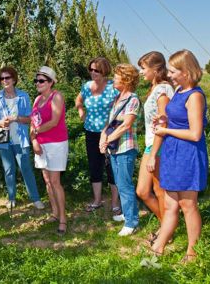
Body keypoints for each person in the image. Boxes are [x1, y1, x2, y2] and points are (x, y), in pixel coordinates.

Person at [151, 50, 208, 262]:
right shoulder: (179, 90)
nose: (170, 74)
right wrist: (163, 117)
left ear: (186, 72)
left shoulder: (194, 96)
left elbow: (194, 133)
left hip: (187, 154)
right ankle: (158, 247)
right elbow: (177, 118)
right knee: (170, 205)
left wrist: (165, 131)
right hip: (173, 153)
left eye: (174, 71)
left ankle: (192, 252)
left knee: (188, 205)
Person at [0, 66, 44, 210]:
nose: (4, 81)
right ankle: (11, 198)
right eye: (2, 78)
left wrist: (15, 118)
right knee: (8, 170)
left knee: (26, 169)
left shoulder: (23, 96)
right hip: (3, 140)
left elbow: (30, 118)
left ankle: (35, 199)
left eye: (7, 78)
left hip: (21, 139)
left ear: (14, 79)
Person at [136, 52, 174, 240]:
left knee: (159, 191)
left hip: (159, 146)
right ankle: (165, 226)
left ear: (156, 69)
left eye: (144, 68)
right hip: (151, 145)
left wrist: (154, 153)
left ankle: (165, 233)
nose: (141, 72)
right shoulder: (155, 88)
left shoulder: (163, 90)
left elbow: (163, 122)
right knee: (143, 191)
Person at [75, 57, 120, 215]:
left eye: (97, 70)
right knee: (95, 165)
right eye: (91, 69)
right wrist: (81, 110)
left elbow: (121, 109)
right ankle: (97, 200)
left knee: (111, 167)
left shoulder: (113, 87)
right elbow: (78, 100)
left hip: (110, 133)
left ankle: (115, 203)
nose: (93, 73)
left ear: (105, 71)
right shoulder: (87, 86)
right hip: (91, 132)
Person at [100, 63, 141, 236]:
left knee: (125, 184)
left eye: (116, 76)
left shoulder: (133, 99)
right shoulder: (117, 98)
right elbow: (109, 123)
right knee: (119, 182)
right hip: (114, 148)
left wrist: (108, 139)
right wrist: (103, 137)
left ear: (126, 79)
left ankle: (132, 222)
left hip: (125, 148)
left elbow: (126, 125)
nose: (113, 79)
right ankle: (126, 213)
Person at [31, 66, 68, 235]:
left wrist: (36, 132)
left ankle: (63, 219)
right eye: (36, 80)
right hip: (41, 144)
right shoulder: (37, 100)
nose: (37, 83)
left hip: (56, 144)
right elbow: (33, 122)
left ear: (51, 82)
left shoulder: (57, 96)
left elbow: (54, 121)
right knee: (47, 180)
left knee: (55, 181)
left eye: (41, 80)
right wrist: (34, 141)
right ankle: (54, 212)